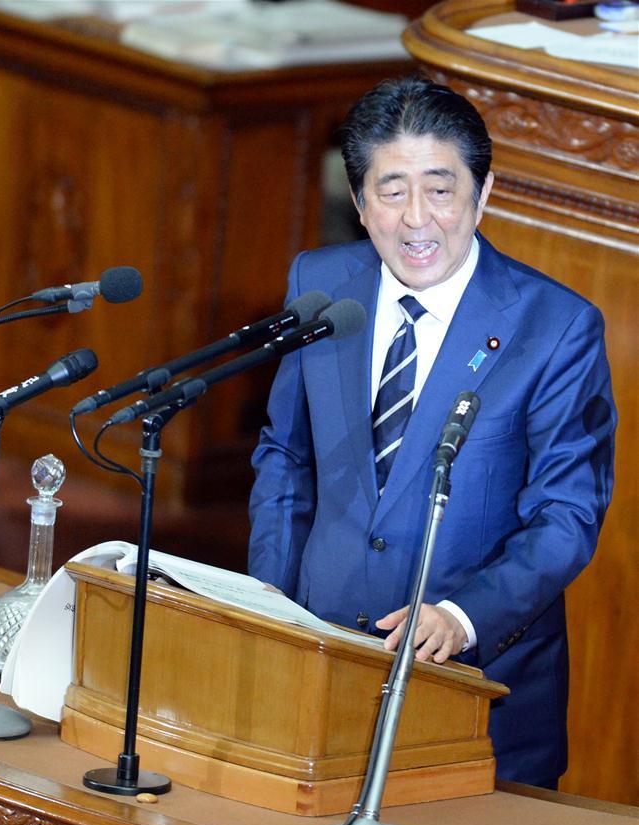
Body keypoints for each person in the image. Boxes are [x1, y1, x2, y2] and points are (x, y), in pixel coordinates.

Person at [247, 75, 615, 788]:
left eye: (441, 189)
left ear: (484, 191)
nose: (418, 219)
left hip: (478, 688)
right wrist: (269, 601)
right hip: (316, 668)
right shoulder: (320, 284)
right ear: (358, 201)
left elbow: (567, 518)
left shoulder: (556, 326)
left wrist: (461, 613)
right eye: (391, 190)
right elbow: (286, 455)